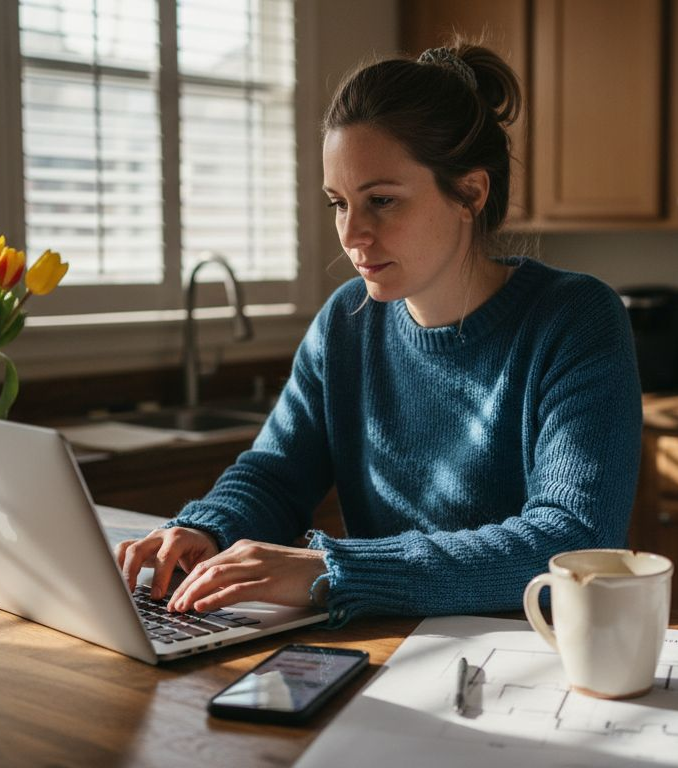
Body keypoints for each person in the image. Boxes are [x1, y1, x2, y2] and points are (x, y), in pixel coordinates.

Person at [115, 40, 642, 625]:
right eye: (339, 203)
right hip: (383, 650)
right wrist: (204, 528)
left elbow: (573, 541)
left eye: (382, 201)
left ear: (470, 191)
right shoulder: (345, 323)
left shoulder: (575, 318)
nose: (352, 234)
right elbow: (275, 473)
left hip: (526, 659)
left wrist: (330, 570)